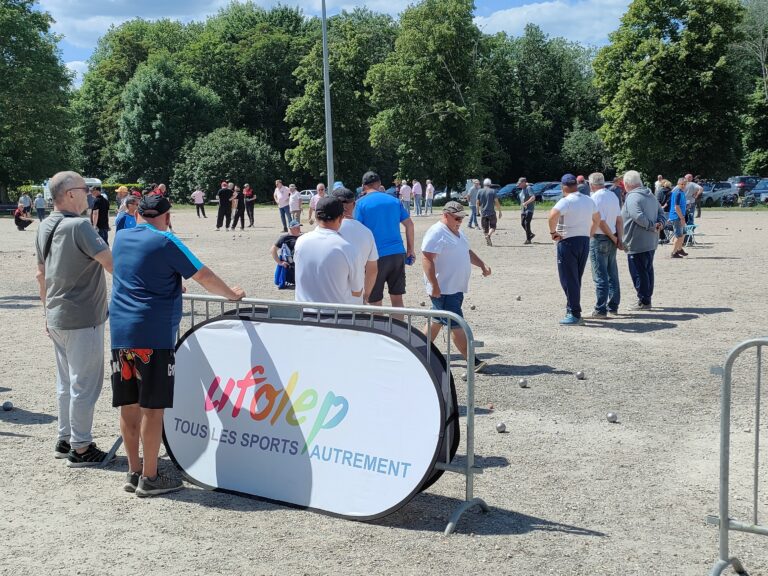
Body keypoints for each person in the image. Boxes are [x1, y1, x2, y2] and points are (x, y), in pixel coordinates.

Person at [110, 194, 245, 496]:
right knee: (152, 408)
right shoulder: (166, 241)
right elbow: (204, 275)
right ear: (167, 216)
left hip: (121, 332)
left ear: (139, 213)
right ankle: (151, 476)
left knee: (128, 404)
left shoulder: (121, 238)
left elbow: (135, 273)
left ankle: (133, 471)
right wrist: (231, 295)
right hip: (153, 334)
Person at [35, 170, 114, 466]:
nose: (88, 195)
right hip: (83, 316)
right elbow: (111, 263)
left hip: (56, 315)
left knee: (66, 382)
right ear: (69, 193)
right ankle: (81, 447)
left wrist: (46, 311)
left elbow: (40, 274)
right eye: (84, 189)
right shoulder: (80, 226)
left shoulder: (44, 226)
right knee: (85, 384)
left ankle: (65, 437)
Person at [422, 201, 492, 372]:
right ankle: (472, 361)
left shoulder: (458, 232)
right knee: (456, 324)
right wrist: (434, 285)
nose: (459, 221)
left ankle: (416, 351)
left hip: (455, 288)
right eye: (456, 217)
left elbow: (466, 251)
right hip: (444, 289)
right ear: (445, 215)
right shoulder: (437, 232)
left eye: (462, 217)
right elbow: (427, 259)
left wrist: (482, 265)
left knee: (436, 321)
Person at [354, 171, 415, 308]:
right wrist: (410, 249)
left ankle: (378, 329)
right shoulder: (394, 201)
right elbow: (409, 224)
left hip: (375, 257)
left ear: (363, 186)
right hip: (397, 253)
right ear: (380, 184)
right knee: (397, 300)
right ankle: (399, 330)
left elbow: (356, 230)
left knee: (375, 302)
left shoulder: (360, 204)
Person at [548, 173, 599, 325]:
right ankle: (572, 308)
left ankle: (574, 313)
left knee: (568, 279)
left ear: (563, 187)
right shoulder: (588, 200)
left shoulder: (566, 201)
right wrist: (588, 234)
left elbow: (552, 215)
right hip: (583, 241)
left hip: (568, 241)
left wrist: (553, 233)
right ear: (576, 185)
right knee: (576, 277)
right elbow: (597, 219)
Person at [294, 197, 361, 305]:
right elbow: (357, 291)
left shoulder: (300, 241)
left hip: (304, 314)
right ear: (341, 218)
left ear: (316, 216)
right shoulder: (347, 247)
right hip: (337, 317)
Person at [621, 170, 666, 310]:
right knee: (647, 270)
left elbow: (637, 216)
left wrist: (652, 226)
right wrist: (660, 224)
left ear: (627, 184)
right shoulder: (650, 195)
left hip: (637, 241)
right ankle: (646, 299)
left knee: (639, 272)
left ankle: (644, 301)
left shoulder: (632, 197)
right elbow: (661, 212)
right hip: (650, 241)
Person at [331, 187, 378, 304]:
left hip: (327, 294)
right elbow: (372, 269)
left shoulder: (327, 229)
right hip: (354, 295)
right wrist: (366, 295)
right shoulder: (366, 232)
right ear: (354, 204)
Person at [588, 172, 622, 318]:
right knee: (612, 273)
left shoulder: (594, 197)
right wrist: (619, 238)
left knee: (600, 275)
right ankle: (613, 306)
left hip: (600, 237)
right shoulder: (612, 195)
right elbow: (619, 219)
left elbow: (599, 222)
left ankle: (600, 309)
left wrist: (614, 239)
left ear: (591, 184)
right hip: (612, 236)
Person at [271, 220, 303, 288]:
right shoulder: (284, 238)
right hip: (291, 265)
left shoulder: (303, 237)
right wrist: (280, 262)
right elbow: (273, 249)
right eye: (296, 227)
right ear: (290, 228)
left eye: (299, 227)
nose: (299, 228)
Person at [477, 178, 502, 246]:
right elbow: (496, 202)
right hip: (492, 213)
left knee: (485, 228)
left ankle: (488, 240)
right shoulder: (493, 191)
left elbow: (477, 202)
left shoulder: (479, 191)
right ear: (490, 184)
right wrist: (500, 211)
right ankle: (488, 235)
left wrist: (477, 212)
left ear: (484, 184)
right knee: (493, 226)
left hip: (483, 212)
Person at [668, 178, 689, 259]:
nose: (683, 186)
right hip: (676, 217)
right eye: (682, 184)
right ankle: (673, 253)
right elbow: (676, 207)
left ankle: (679, 249)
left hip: (680, 216)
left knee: (683, 233)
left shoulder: (682, 192)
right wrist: (682, 218)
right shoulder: (677, 193)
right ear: (678, 184)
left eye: (685, 184)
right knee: (678, 235)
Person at [517, 177, 536, 244]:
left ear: (524, 183)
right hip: (523, 209)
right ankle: (530, 234)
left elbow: (533, 197)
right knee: (522, 223)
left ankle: (528, 240)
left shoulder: (528, 188)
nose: (519, 185)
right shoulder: (523, 189)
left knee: (526, 223)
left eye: (520, 183)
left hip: (529, 209)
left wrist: (526, 203)